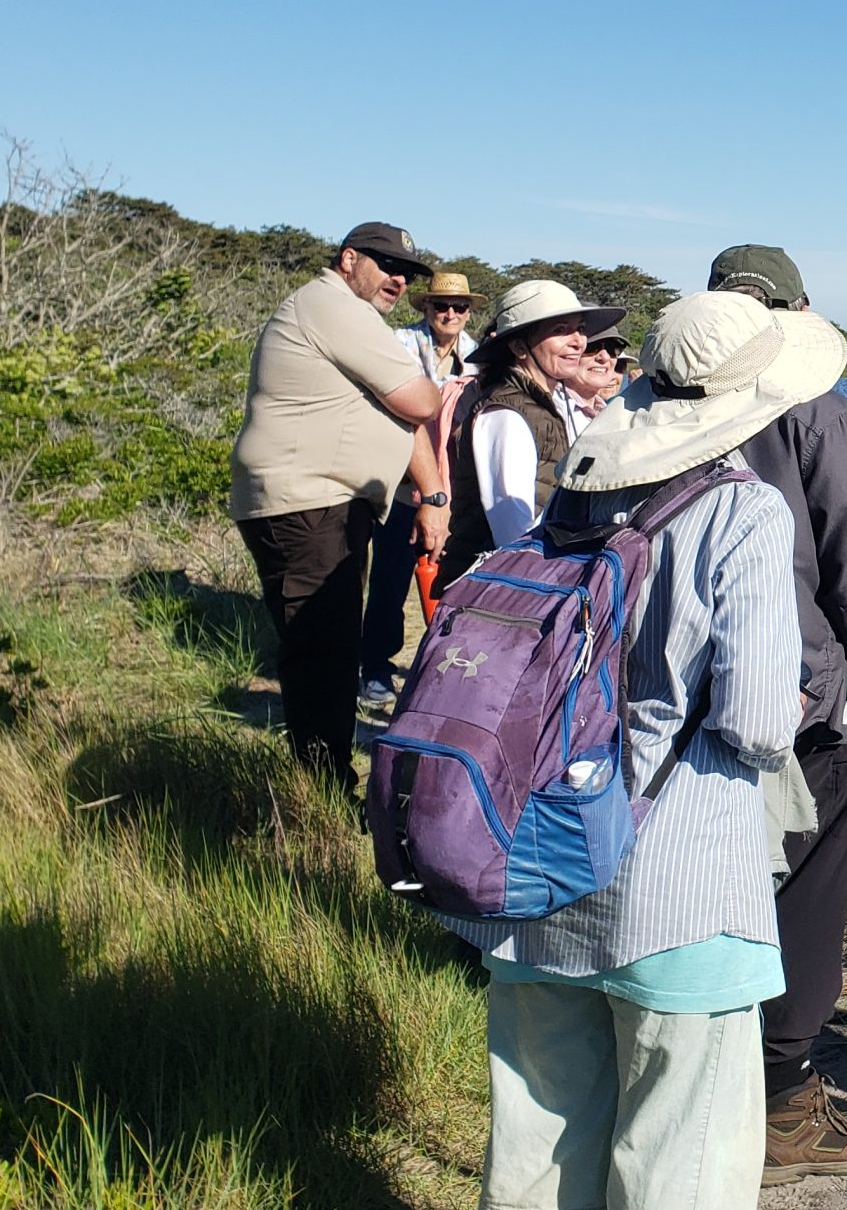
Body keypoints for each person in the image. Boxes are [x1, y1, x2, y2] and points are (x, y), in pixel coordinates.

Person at [443, 291, 831, 1210]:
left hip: (538, 856)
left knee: (530, 1126)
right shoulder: (741, 508)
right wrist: (791, 698)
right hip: (680, 880)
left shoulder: (578, 482)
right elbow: (750, 720)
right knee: (671, 1154)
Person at [702, 242, 847, 1179]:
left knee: (714, 873)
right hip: (806, 685)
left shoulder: (660, 406)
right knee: (812, 883)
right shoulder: (815, 408)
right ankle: (783, 1095)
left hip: (687, 687)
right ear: (799, 310)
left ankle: (713, 1073)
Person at [229, 222, 450, 793]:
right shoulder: (334, 306)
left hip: (323, 503)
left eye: (407, 273)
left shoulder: (349, 318)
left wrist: (433, 495)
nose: (399, 279)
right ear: (349, 260)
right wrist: (418, 393)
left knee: (329, 648)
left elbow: (402, 416)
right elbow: (420, 399)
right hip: (306, 502)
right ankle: (321, 795)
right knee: (322, 653)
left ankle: (322, 785)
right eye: (385, 265)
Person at [439, 281, 624, 584]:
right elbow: (514, 535)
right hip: (496, 595)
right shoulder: (506, 414)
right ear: (519, 347)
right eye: (561, 329)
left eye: (579, 328)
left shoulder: (543, 406)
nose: (578, 341)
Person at [359, 271, 480, 708]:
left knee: (447, 581)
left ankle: (443, 670)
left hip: (450, 485)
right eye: (442, 306)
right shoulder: (398, 344)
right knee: (390, 579)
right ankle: (375, 667)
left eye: (459, 307)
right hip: (399, 482)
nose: (450, 314)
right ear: (426, 308)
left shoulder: (476, 356)